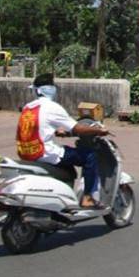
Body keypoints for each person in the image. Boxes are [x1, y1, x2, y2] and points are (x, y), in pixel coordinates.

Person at [16, 74, 110, 208]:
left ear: (36, 90)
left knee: (68, 161)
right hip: (45, 153)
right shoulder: (52, 107)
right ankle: (87, 198)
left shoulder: (28, 107)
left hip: (25, 152)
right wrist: (98, 131)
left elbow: (35, 127)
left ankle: (65, 197)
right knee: (90, 156)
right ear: (52, 89)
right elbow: (78, 129)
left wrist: (55, 131)